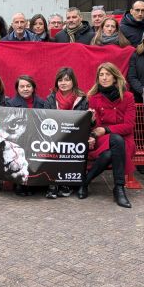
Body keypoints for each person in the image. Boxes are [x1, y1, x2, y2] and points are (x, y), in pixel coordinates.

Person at [83, 63, 135, 208]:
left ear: (115, 77)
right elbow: (95, 127)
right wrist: (92, 121)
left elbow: (129, 126)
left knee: (112, 150)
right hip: (102, 139)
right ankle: (119, 188)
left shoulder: (128, 97)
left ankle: (85, 182)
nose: (104, 78)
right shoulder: (93, 97)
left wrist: (106, 129)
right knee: (115, 143)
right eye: (101, 75)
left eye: (108, 74)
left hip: (124, 138)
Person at [44, 67, 88, 199]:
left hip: (75, 137)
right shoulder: (50, 98)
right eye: (60, 80)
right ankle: (52, 183)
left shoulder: (82, 99)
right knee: (50, 146)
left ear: (73, 82)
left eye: (67, 80)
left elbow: (85, 122)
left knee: (70, 147)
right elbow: (45, 119)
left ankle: (65, 183)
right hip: (54, 136)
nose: (63, 83)